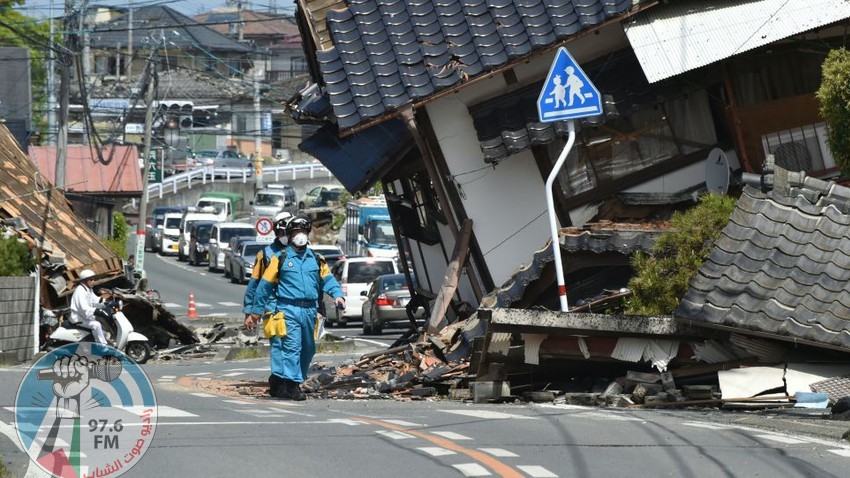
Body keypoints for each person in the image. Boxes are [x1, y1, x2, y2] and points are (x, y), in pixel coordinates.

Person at [252, 215, 345, 400]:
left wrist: (338, 295)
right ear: (289, 234)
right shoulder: (280, 258)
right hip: (287, 309)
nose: (300, 235)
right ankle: (293, 386)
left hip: (310, 310)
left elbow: (328, 280)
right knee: (291, 347)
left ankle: (291, 380)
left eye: (303, 231)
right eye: (296, 232)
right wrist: (256, 310)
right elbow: (264, 285)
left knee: (308, 348)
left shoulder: (317, 259)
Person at [243, 212, 291, 397]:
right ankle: (279, 381)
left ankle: (292, 379)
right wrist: (250, 311)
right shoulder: (265, 254)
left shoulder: (304, 253)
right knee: (278, 344)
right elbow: (255, 283)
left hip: (296, 308)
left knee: (298, 346)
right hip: (273, 307)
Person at [69, 269, 109, 345]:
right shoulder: (80, 292)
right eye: (91, 279)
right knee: (96, 325)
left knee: (100, 323)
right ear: (84, 280)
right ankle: (103, 347)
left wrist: (107, 303)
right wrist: (97, 311)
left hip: (84, 317)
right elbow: (84, 309)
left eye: (93, 279)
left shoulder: (88, 290)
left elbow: (96, 300)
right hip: (78, 318)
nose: (93, 281)